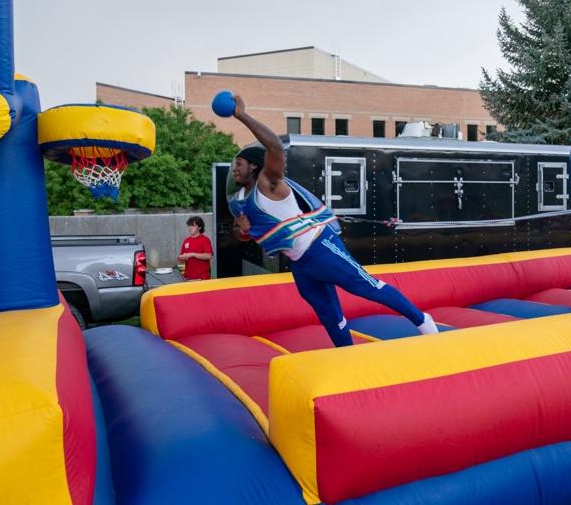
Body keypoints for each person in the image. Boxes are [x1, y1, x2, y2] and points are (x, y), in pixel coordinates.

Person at [227, 94, 438, 347]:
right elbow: (243, 233)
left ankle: (422, 320)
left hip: (321, 247)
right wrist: (242, 231)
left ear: (253, 166)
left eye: (238, 164)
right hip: (300, 263)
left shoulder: (269, 182)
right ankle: (347, 354)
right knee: (329, 315)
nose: (234, 169)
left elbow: (273, 146)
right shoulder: (239, 200)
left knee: (366, 287)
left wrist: (241, 116)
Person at [178, 216, 213, 280]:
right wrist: (182, 258)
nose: (190, 228)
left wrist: (193, 254)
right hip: (188, 277)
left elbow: (208, 256)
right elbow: (181, 260)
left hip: (202, 277)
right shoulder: (186, 241)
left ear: (199, 227)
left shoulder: (205, 240)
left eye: (193, 226)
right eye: (189, 225)